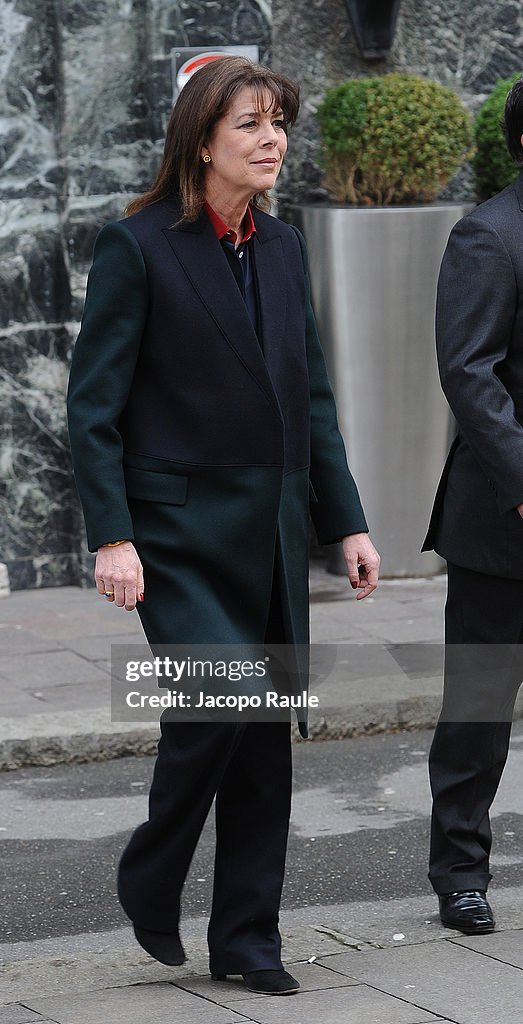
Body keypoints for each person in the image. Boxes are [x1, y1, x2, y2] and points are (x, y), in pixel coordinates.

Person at [67, 56, 379, 995]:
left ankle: (248, 942)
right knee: (217, 708)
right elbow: (94, 407)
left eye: (278, 121)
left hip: (274, 533)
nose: (271, 139)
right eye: (249, 124)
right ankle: (153, 869)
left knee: (260, 738)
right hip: (177, 537)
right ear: (202, 140)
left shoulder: (282, 248)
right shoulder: (139, 246)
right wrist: (110, 534)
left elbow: (310, 395)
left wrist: (347, 523)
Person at [423, 76, 523, 936]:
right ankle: (459, 874)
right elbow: (469, 372)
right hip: (503, 526)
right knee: (479, 713)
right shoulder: (487, 236)